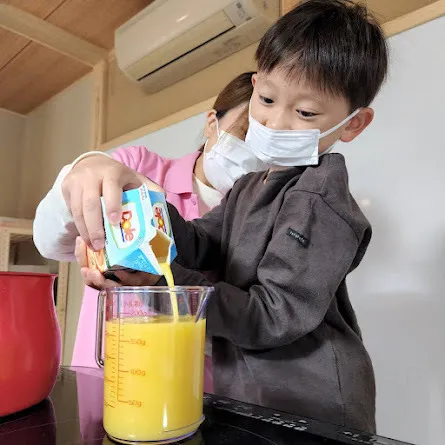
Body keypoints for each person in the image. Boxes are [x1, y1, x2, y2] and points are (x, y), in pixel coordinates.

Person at [75, 0, 388, 432]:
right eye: (267, 99)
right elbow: (200, 242)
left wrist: (165, 284)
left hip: (311, 407)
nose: (276, 123)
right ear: (255, 84)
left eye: (306, 113)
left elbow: (273, 315)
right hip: (246, 394)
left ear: (353, 124)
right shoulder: (248, 186)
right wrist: (146, 212)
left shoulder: (320, 200)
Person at [33, 71, 264, 394]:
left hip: (201, 390)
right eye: (246, 133)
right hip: (112, 378)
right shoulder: (139, 172)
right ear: (212, 122)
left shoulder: (257, 216)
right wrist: (82, 172)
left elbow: (249, 316)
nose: (253, 155)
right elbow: (49, 242)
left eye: (268, 147)